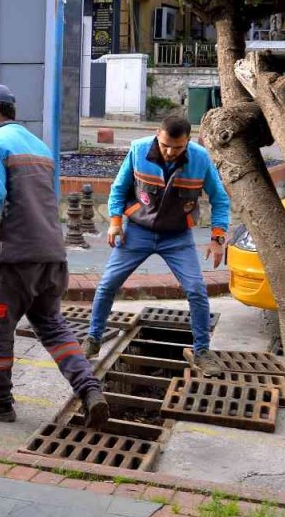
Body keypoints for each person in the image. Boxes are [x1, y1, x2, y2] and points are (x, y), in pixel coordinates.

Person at [0, 84, 108, 426]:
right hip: (51, 256)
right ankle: (89, 390)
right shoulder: (39, 146)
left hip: (14, 258)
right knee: (53, 327)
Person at [82, 114, 230, 375]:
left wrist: (218, 238)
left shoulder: (200, 158)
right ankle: (93, 340)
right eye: (165, 145)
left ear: (188, 142)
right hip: (137, 231)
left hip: (177, 237)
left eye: (178, 147)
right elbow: (119, 188)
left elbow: (220, 198)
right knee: (107, 285)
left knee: (196, 289)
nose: (171, 152)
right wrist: (115, 222)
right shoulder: (139, 150)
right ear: (157, 135)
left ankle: (202, 351)